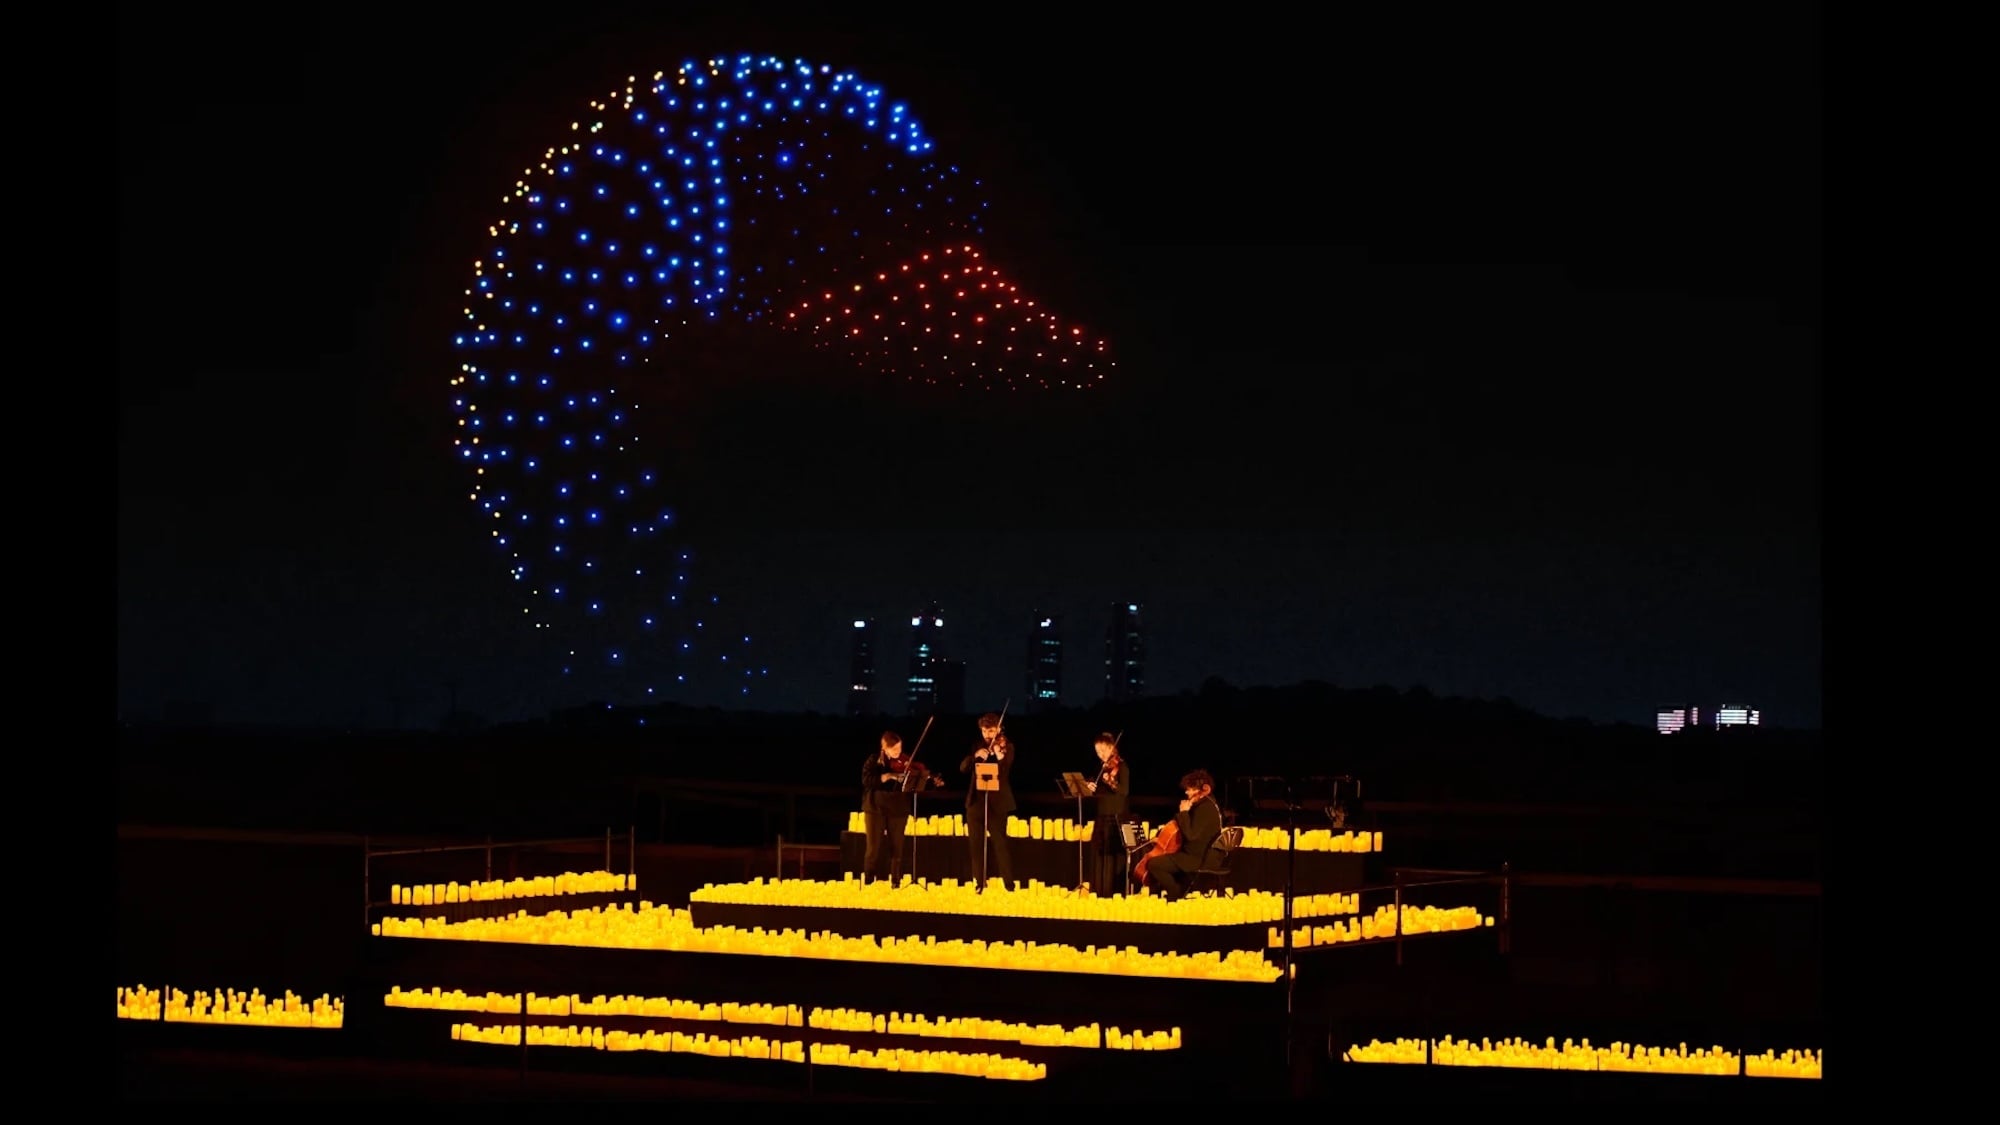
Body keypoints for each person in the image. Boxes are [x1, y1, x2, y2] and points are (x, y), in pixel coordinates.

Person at [861, 731, 936, 882]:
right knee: (873, 848)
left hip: (898, 808)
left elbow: (917, 776)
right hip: (876, 807)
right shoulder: (874, 760)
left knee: (897, 847)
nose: (898, 753)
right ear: (884, 748)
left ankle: (895, 880)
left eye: (899, 749)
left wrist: (929, 779)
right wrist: (888, 776)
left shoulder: (905, 761)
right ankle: (869, 878)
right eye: (894, 750)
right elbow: (867, 780)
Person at [958, 712, 1017, 887]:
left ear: (999, 729)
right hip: (976, 802)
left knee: (1000, 844)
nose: (987, 735)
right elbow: (963, 768)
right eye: (984, 731)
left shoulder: (1007, 747)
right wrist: (975, 756)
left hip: (997, 803)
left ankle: (1008, 883)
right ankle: (979, 881)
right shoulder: (977, 746)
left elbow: (1005, 772)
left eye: (991, 731)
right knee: (975, 845)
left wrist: (1000, 758)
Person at [1143, 769, 1222, 901]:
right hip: (1202, 855)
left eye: (1190, 789)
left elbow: (1191, 835)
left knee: (1154, 864)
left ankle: (1175, 892)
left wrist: (1184, 813)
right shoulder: (1208, 803)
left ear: (1202, 790)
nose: (1186, 792)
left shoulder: (1205, 809)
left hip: (1198, 858)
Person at [1082, 733, 1130, 894]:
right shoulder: (1101, 767)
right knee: (1099, 854)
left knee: (1112, 856)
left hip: (1116, 816)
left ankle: (1112, 891)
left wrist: (1111, 782)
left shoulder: (1122, 767)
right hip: (1102, 815)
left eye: (1103, 751)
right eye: (1097, 752)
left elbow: (1124, 791)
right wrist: (1090, 787)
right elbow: (1099, 789)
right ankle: (1100, 889)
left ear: (1112, 748)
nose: (1101, 755)